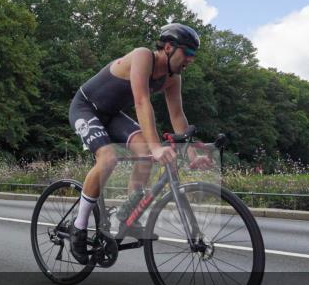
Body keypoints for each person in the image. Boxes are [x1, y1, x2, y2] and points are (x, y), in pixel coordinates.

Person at [66, 23, 209, 264]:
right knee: (108, 158)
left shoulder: (173, 79)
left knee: (146, 155)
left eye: (194, 55)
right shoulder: (143, 56)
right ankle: (78, 227)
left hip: (112, 114)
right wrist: (156, 145)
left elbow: (177, 116)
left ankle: (127, 217)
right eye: (188, 53)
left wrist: (191, 151)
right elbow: (142, 102)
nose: (191, 60)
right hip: (86, 108)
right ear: (168, 47)